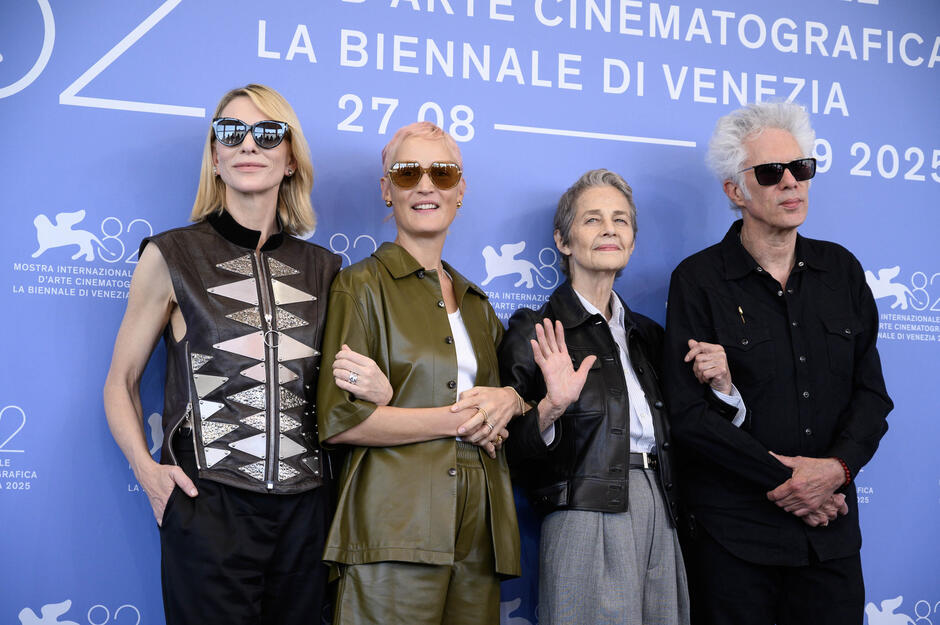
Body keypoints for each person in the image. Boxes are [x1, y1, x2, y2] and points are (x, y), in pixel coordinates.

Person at [103, 84, 390, 625]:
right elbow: (120, 381)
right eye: (231, 132)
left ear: (290, 158)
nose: (248, 145)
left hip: (309, 511)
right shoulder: (172, 254)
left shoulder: (329, 269)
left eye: (267, 133)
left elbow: (346, 384)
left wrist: (381, 388)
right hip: (208, 506)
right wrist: (146, 469)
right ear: (215, 156)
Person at [663, 101, 892, 625]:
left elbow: (872, 395)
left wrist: (836, 470)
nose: (792, 182)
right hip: (736, 544)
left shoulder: (843, 271)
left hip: (830, 541)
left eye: (801, 167)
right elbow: (689, 415)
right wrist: (791, 481)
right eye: (771, 172)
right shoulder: (698, 281)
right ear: (735, 191)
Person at [499, 169, 743, 625]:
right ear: (563, 240)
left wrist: (725, 390)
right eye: (592, 219)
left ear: (632, 240)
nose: (610, 229)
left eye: (621, 220)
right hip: (584, 513)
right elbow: (509, 450)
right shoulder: (535, 330)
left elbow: (697, 434)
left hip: (663, 508)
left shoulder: (650, 336)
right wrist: (552, 406)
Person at [316, 121, 524, 625]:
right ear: (387, 191)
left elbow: (502, 410)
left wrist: (513, 402)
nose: (426, 185)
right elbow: (342, 421)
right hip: (393, 526)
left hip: (481, 532)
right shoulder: (359, 286)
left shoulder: (478, 302)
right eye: (408, 173)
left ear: (460, 189)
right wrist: (459, 420)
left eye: (443, 172)